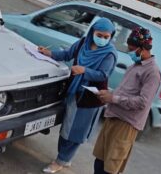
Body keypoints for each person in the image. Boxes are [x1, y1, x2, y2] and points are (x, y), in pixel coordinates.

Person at [38, 18, 118, 173]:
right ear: (92, 32)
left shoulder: (109, 54)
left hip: (89, 98)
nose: (102, 39)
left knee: (75, 132)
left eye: (106, 37)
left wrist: (84, 71)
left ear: (111, 36)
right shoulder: (83, 43)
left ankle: (61, 161)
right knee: (66, 128)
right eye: (99, 35)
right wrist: (48, 53)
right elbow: (67, 54)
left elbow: (103, 75)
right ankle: (65, 158)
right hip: (74, 91)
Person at [93, 27, 161, 174]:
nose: (130, 52)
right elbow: (125, 91)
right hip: (112, 117)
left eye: (132, 49)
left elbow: (142, 102)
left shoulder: (153, 73)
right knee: (99, 162)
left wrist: (114, 98)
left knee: (110, 168)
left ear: (143, 49)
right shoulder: (135, 65)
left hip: (126, 124)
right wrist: (109, 94)